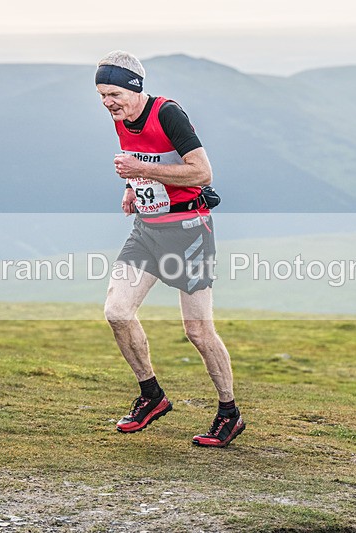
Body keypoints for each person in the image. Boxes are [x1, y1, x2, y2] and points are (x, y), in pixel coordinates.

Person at [95, 50, 245, 447]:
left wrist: (139, 172)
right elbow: (141, 161)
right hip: (147, 229)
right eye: (101, 95)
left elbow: (201, 171)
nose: (108, 102)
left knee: (197, 331)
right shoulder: (122, 119)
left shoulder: (167, 114)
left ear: (134, 88)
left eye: (113, 93)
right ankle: (152, 396)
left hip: (189, 231)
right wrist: (132, 189)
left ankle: (229, 413)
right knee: (117, 311)